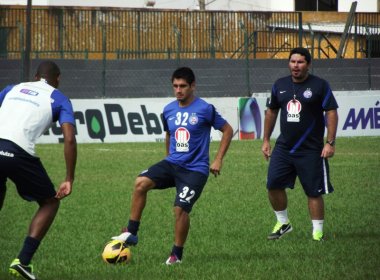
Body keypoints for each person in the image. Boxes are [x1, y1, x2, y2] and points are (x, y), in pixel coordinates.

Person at [112, 66, 233, 264]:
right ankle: (131, 232)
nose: (178, 90)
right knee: (140, 183)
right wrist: (168, 157)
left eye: (183, 86)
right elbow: (169, 133)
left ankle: (176, 255)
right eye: (175, 86)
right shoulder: (168, 109)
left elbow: (227, 130)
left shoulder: (205, 109)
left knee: (180, 210)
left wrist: (218, 159)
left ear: (193, 86)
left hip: (195, 170)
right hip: (172, 164)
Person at [0, 61, 77, 280]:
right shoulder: (59, 98)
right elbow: (69, 138)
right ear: (58, 79)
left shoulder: (11, 88)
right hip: (18, 152)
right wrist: (69, 178)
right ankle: (23, 261)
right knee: (50, 201)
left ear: (35, 77)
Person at [261, 47, 338, 242]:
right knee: (273, 184)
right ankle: (283, 223)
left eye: (300, 62)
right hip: (284, 147)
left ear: (308, 65)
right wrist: (265, 140)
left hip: (311, 149)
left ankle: (317, 233)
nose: (295, 66)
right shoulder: (280, 85)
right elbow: (271, 111)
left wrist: (330, 142)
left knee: (313, 191)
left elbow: (331, 112)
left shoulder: (320, 85)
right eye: (292, 61)